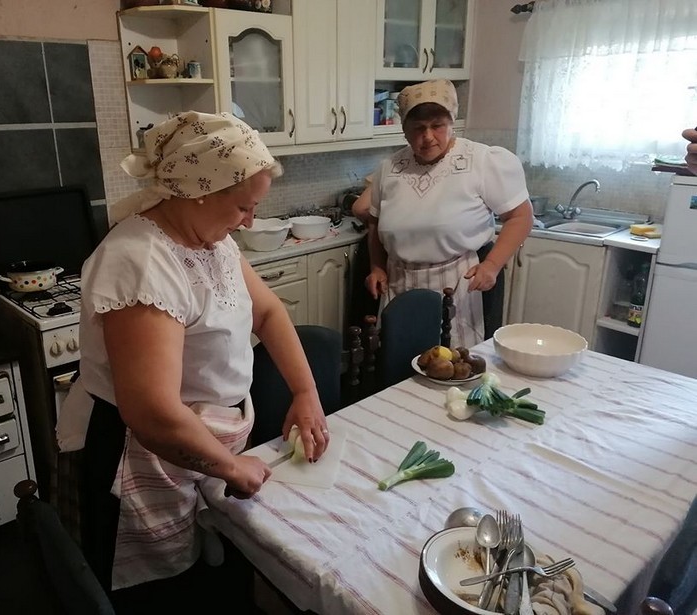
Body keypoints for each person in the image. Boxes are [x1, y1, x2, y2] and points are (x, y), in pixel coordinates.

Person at [63, 111, 331, 610]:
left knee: (208, 568)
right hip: (141, 454)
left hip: (199, 444)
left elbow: (269, 312)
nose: (249, 221)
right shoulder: (140, 260)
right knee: (155, 592)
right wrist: (230, 466)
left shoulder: (213, 241)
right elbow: (151, 413)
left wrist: (305, 392)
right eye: (244, 206)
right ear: (199, 191)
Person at [363, 79, 533, 348]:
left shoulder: (482, 161)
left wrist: (491, 265)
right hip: (399, 284)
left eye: (437, 126)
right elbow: (374, 222)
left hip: (456, 286)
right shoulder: (390, 168)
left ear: (452, 123)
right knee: (400, 362)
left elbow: (520, 216)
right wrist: (377, 266)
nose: (428, 136)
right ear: (404, 130)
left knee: (451, 363)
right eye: (418, 128)